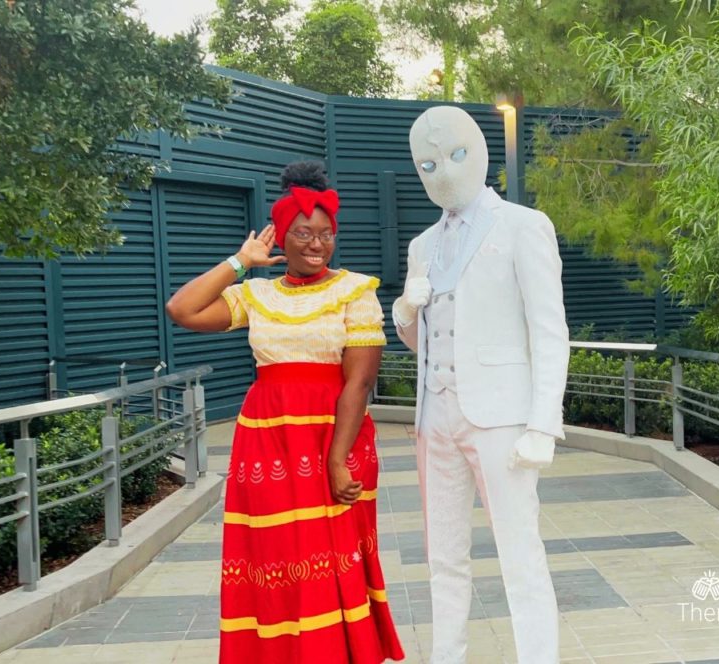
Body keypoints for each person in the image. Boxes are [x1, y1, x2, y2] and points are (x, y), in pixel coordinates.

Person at [166, 161, 404, 664]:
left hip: (333, 439)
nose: (316, 244)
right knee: (276, 552)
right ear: (280, 237)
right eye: (303, 233)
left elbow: (358, 383)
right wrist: (240, 261)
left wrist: (337, 460)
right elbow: (182, 310)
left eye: (326, 234)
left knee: (330, 550)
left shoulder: (356, 292)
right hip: (267, 443)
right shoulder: (256, 293)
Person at [392, 106, 570, 664]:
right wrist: (403, 311)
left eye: (454, 155)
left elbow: (549, 332)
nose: (442, 171)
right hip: (434, 418)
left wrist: (543, 422)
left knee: (520, 553)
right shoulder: (423, 245)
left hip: (501, 418)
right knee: (443, 557)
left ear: (480, 151)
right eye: (427, 163)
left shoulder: (523, 225)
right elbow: (426, 341)